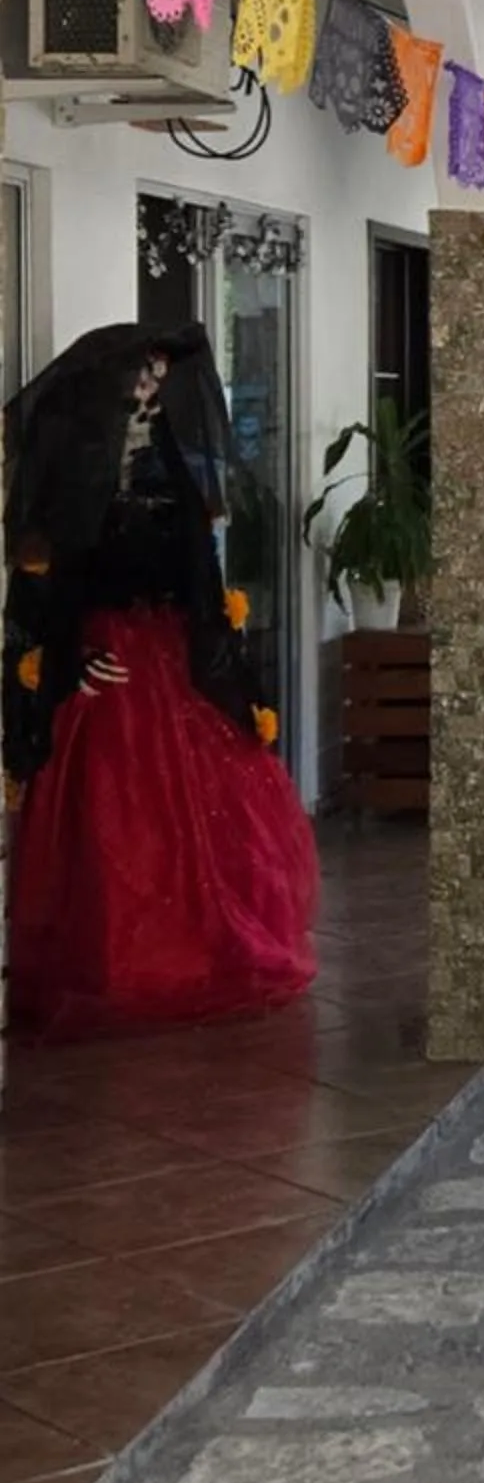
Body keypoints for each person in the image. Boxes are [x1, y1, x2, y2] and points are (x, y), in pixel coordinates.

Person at [3, 322, 317, 1039]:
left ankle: (200, 956)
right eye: (138, 378)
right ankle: (123, 968)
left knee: (203, 822)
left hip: (175, 664)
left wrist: (216, 647)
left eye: (155, 379)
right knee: (116, 826)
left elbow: (200, 574)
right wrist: (63, 662)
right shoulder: (69, 474)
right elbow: (41, 592)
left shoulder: (172, 467)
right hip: (106, 669)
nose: (149, 391)